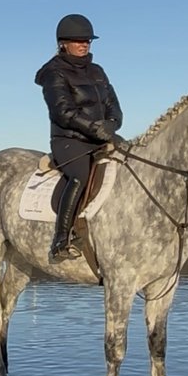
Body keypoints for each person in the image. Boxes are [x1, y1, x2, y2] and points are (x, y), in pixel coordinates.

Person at [34, 14, 124, 261]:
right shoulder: (54, 73)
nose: (84, 44)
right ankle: (61, 239)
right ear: (63, 43)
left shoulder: (97, 71)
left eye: (87, 41)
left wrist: (112, 123)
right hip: (69, 140)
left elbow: (113, 104)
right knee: (79, 176)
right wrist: (95, 129)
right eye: (78, 41)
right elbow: (63, 113)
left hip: (100, 137)